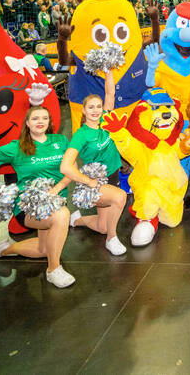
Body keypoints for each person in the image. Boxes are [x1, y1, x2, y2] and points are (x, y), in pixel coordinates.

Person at [0, 106, 75, 288]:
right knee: (62, 215)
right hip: (28, 208)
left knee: (44, 249)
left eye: (44, 118)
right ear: (27, 123)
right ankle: (53, 270)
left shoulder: (61, 141)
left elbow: (71, 170)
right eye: (35, 119)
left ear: (49, 122)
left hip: (55, 200)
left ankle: (4, 249)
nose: (40, 122)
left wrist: (57, 188)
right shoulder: (15, 147)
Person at [60, 72, 128, 256]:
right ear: (83, 110)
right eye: (91, 107)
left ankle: (76, 220)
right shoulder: (80, 134)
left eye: (98, 106)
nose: (96, 110)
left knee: (102, 225)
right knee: (120, 198)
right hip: (96, 181)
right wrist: (88, 181)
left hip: (112, 175)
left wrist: (108, 70)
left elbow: (110, 92)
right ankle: (112, 239)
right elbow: (65, 166)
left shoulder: (106, 120)